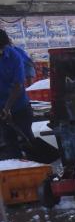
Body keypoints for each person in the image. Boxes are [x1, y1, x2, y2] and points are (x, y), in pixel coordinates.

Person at [0, 29, 30, 159]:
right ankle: (16, 169)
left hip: (19, 106)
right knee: (9, 142)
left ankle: (35, 169)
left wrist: (7, 108)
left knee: (26, 139)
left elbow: (18, 85)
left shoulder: (15, 56)